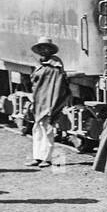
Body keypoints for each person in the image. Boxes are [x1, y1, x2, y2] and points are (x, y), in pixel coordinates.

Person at [28, 36, 69, 167]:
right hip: (39, 101)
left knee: (47, 130)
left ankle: (48, 158)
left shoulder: (55, 66)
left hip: (48, 102)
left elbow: (57, 87)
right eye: (41, 48)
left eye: (46, 48)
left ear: (51, 50)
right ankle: (37, 157)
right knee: (37, 128)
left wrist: (53, 105)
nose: (43, 50)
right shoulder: (39, 65)